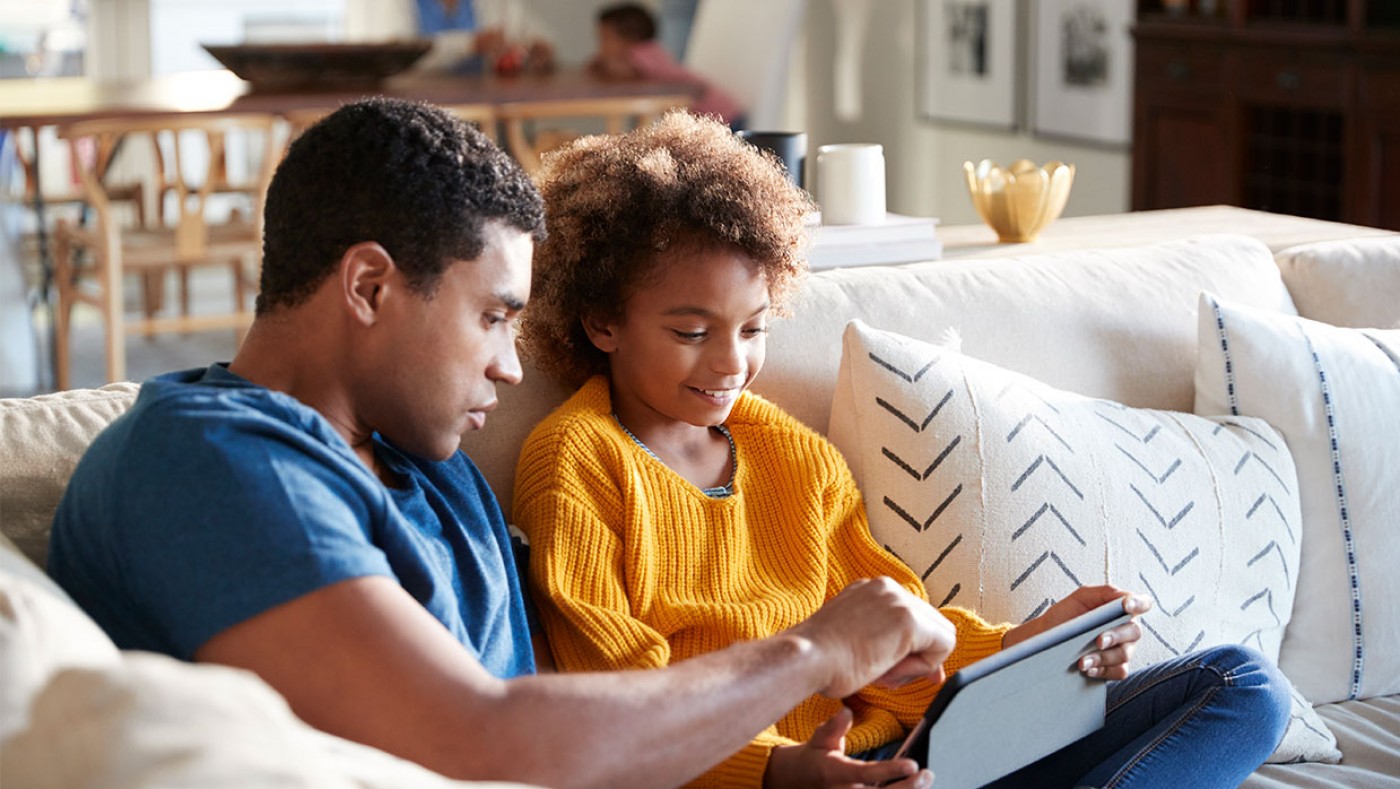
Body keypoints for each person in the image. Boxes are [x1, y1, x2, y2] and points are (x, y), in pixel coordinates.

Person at [46, 97, 958, 789]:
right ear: (368, 286)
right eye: (492, 317)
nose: (512, 369)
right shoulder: (210, 462)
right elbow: (477, 738)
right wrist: (815, 652)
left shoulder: (429, 468)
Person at [513, 111, 1294, 788]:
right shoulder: (575, 462)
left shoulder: (792, 452)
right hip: (762, 776)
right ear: (601, 321)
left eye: (753, 329)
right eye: (691, 333)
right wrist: (781, 770)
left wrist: (1028, 647)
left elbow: (904, 638)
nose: (730, 363)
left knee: (1243, 685)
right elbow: (618, 707)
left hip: (912, 757)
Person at [589, 2, 745, 129]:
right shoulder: (650, 52)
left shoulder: (643, 53)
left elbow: (622, 70)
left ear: (630, 38)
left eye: (605, 38)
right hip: (717, 117)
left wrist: (602, 62)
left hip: (720, 118)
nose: (601, 46)